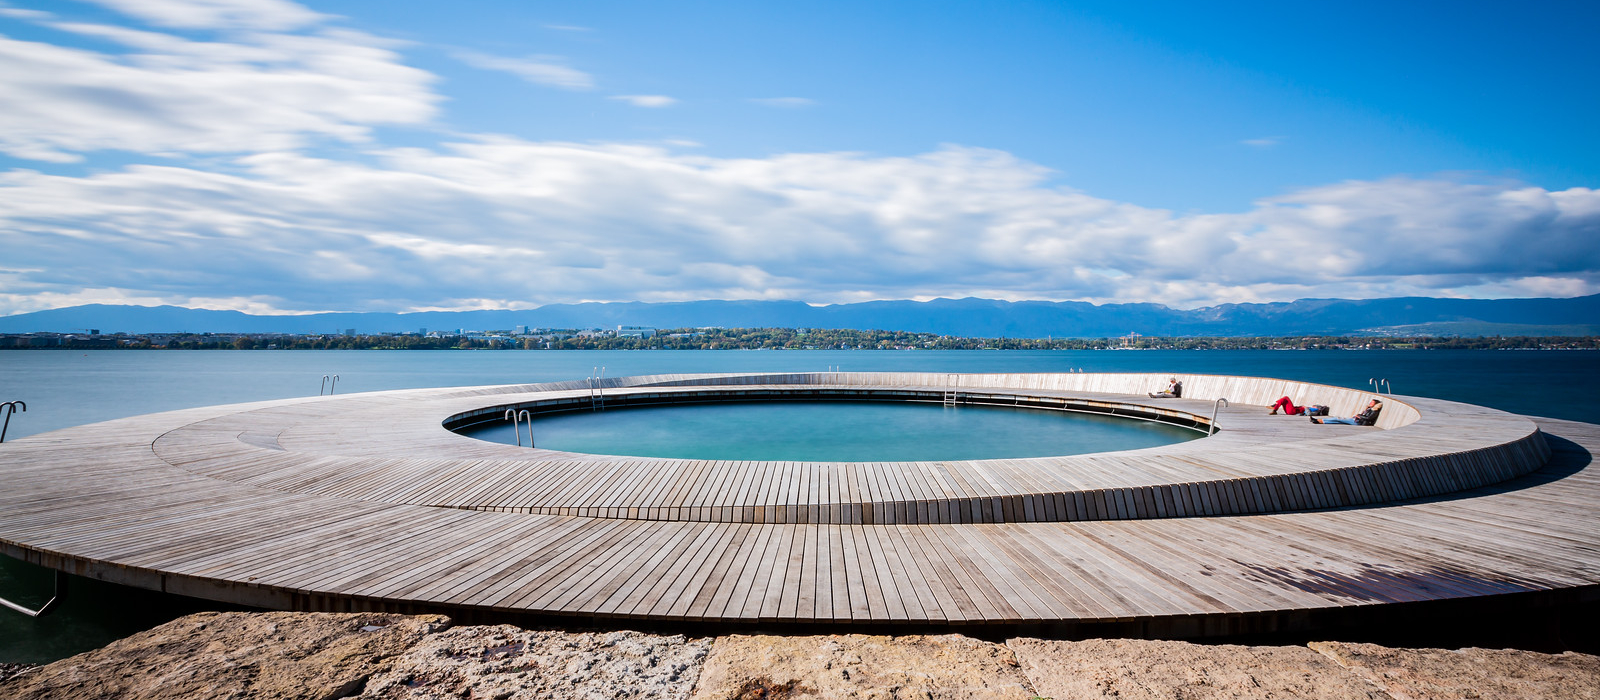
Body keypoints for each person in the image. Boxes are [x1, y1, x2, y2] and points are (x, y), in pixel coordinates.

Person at [1312, 399, 1382, 426]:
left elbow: (1368, 418)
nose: (1370, 403)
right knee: (1337, 421)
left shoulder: (1374, 410)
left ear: (1375, 404)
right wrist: (1359, 415)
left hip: (1359, 422)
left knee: (1338, 418)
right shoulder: (1370, 409)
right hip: (1358, 420)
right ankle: (1319, 421)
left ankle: (1318, 420)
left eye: (1372, 402)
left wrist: (1359, 416)